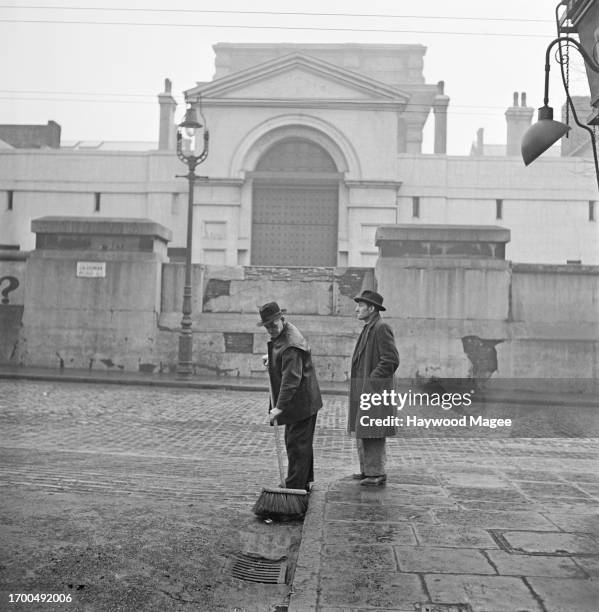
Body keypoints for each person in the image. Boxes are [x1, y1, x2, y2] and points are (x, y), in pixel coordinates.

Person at [258, 301, 322, 492]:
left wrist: (279, 407)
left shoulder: (291, 345)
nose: (270, 329)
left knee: (297, 445)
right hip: (302, 401)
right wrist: (272, 359)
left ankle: (295, 488)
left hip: (301, 402)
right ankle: (302, 481)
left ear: (282, 319)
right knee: (300, 443)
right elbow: (281, 352)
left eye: (273, 325)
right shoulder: (285, 332)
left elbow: (291, 379)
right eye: (267, 326)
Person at [348, 290, 399, 486]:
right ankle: (367, 470)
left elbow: (391, 360)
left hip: (374, 391)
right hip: (365, 390)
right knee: (364, 430)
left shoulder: (381, 327)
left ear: (372, 308)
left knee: (373, 431)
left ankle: (376, 473)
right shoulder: (369, 327)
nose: (356, 309)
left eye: (360, 306)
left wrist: (371, 382)